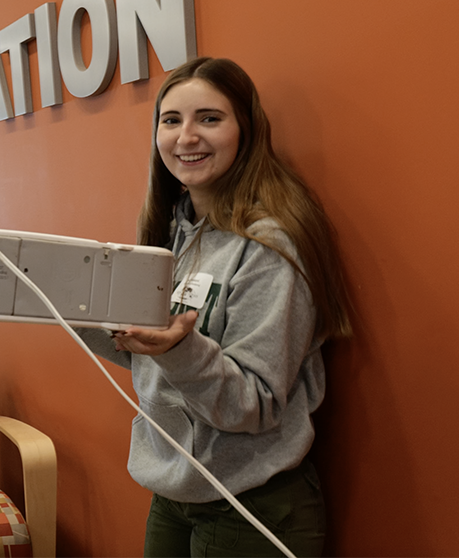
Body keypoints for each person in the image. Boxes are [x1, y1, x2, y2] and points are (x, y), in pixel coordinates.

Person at [77, 57, 352, 558]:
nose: (186, 137)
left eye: (209, 118)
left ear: (246, 129)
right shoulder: (174, 232)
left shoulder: (271, 246)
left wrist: (179, 350)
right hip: (176, 487)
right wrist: (71, 308)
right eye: (171, 120)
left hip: (250, 501)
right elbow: (153, 357)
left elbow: (255, 403)